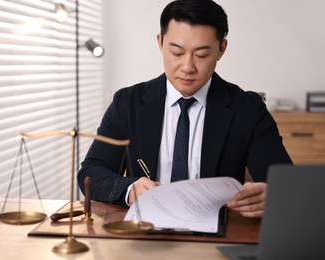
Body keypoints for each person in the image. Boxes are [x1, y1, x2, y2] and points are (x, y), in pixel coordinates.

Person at [77, 0, 292, 218]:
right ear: (160, 43)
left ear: (221, 49)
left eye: (201, 55)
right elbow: (91, 173)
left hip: (217, 233)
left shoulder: (248, 109)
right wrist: (130, 189)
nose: (187, 67)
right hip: (144, 231)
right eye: (177, 52)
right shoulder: (128, 102)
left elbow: (286, 183)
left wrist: (274, 195)